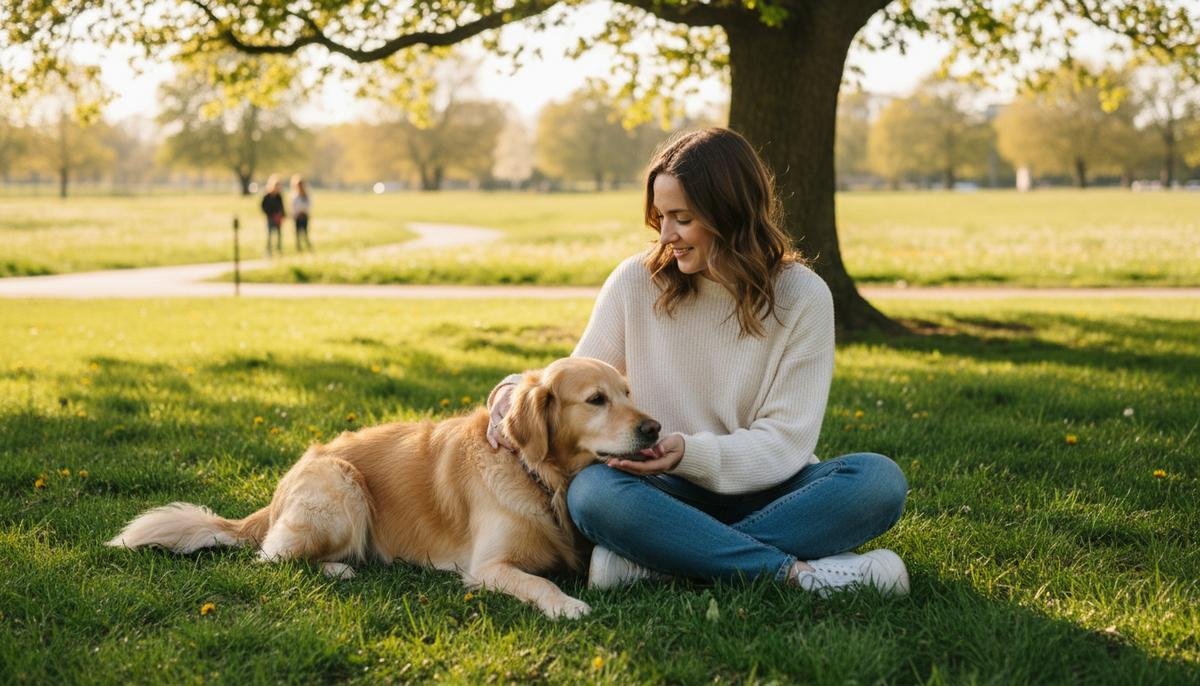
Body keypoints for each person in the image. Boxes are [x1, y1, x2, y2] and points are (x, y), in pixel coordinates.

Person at [486, 127, 910, 595]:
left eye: (681, 219)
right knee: (593, 495)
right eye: (660, 218)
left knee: (877, 481)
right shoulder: (635, 281)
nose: (666, 236)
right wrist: (510, 392)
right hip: (662, 490)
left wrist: (690, 451)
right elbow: (579, 377)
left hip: (773, 489)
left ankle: (663, 562)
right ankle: (796, 574)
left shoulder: (803, 296)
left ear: (727, 214)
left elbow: (786, 442)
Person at [260, 174, 286, 257]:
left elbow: (282, 207)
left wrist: (283, 215)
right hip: (270, 218)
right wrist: (271, 214)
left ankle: (279, 250)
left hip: (277, 219)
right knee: (269, 235)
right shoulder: (267, 196)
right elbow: (263, 207)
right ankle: (268, 251)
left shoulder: (279, 196)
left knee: (279, 235)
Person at [290, 174, 313, 252]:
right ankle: (298, 248)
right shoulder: (294, 195)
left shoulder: (306, 195)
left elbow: (309, 205)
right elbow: (293, 206)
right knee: (297, 234)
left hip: (304, 216)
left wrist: (304, 211)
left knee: (305, 233)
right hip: (297, 216)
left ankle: (308, 247)